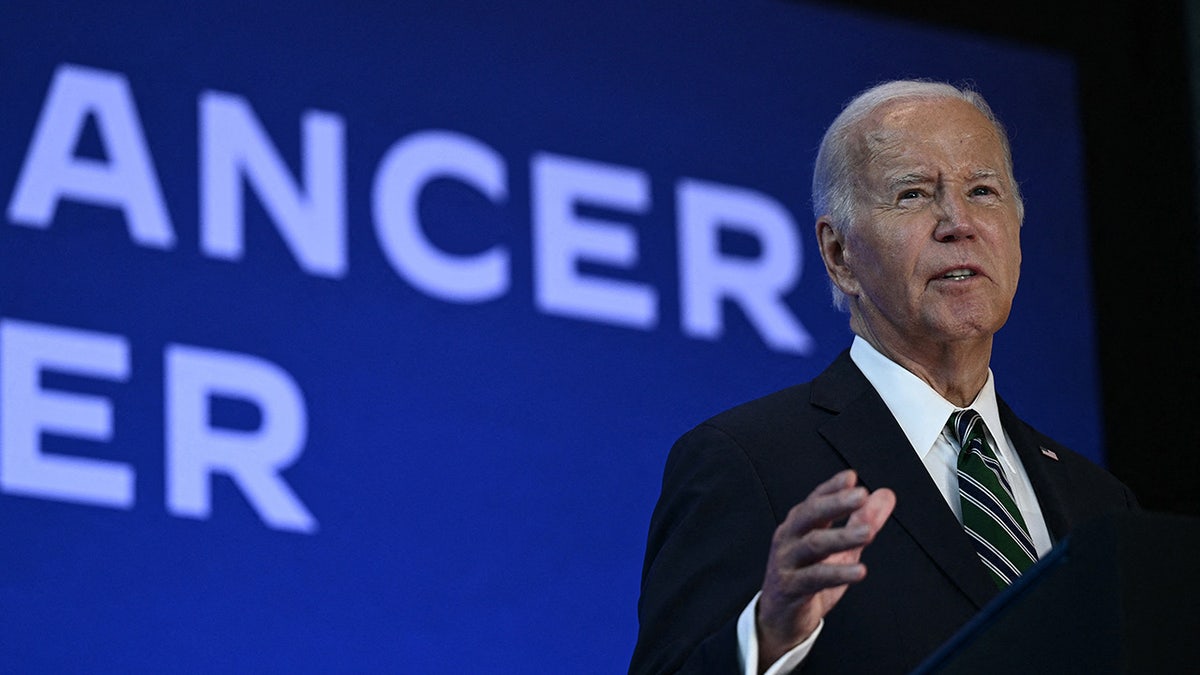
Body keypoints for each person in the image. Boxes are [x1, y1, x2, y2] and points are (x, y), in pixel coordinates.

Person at [628, 80, 1138, 675]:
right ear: (839, 254)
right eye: (913, 195)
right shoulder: (749, 463)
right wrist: (766, 638)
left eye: (982, 191)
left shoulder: (1101, 502)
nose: (958, 223)